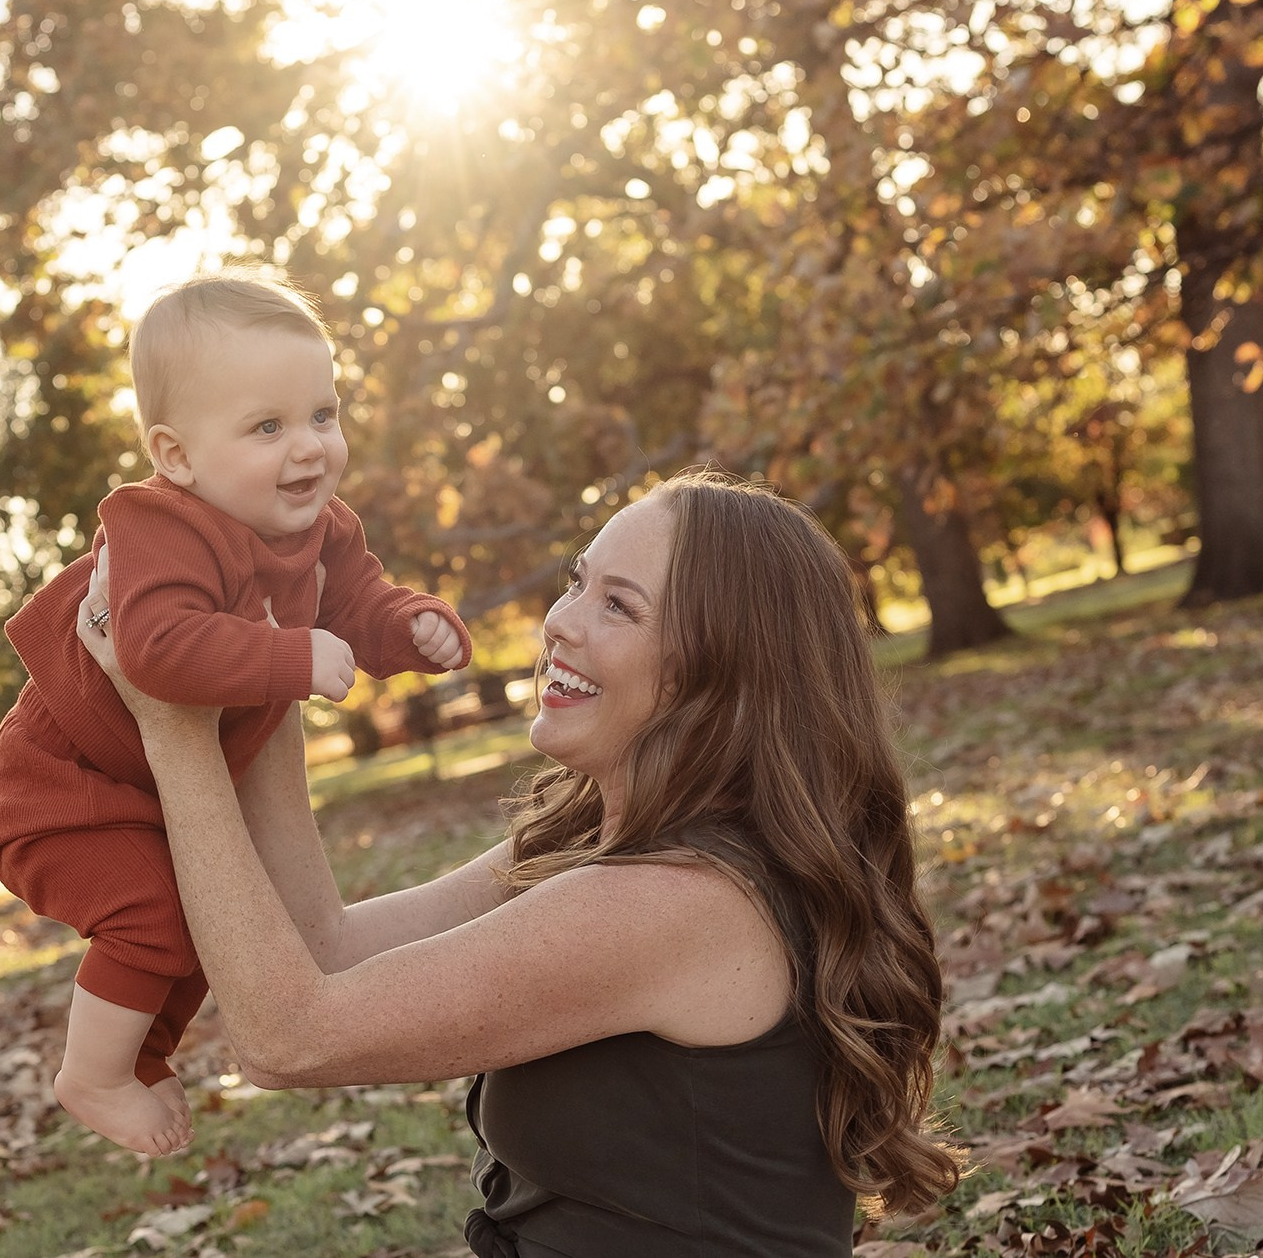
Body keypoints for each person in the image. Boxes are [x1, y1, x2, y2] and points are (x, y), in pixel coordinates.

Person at [77, 471, 959, 1255]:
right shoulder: (595, 838)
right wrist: (265, 672)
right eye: (580, 580)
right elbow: (327, 949)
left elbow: (286, 1037)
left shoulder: (682, 901)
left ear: (722, 672)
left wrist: (173, 727)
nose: (560, 623)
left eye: (620, 606)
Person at [0, 273, 471, 1159]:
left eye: (323, 413)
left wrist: (409, 626)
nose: (310, 447)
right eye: (268, 427)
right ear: (176, 455)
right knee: (156, 921)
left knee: (210, 921)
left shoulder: (321, 529)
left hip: (141, 787)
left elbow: (357, 603)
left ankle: (143, 1057)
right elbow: (158, 649)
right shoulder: (156, 527)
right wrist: (292, 658)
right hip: (60, 790)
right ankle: (90, 1073)